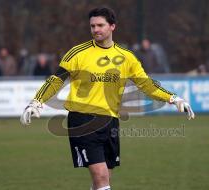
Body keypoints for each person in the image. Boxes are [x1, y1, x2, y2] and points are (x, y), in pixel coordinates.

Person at [20, 7, 195, 190]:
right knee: (101, 176)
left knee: (103, 180)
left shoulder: (127, 57)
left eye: (100, 25)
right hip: (82, 120)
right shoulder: (77, 53)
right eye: (92, 26)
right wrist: (36, 101)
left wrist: (174, 98)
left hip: (110, 121)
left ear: (112, 26)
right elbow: (56, 80)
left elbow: (147, 84)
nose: (96, 29)